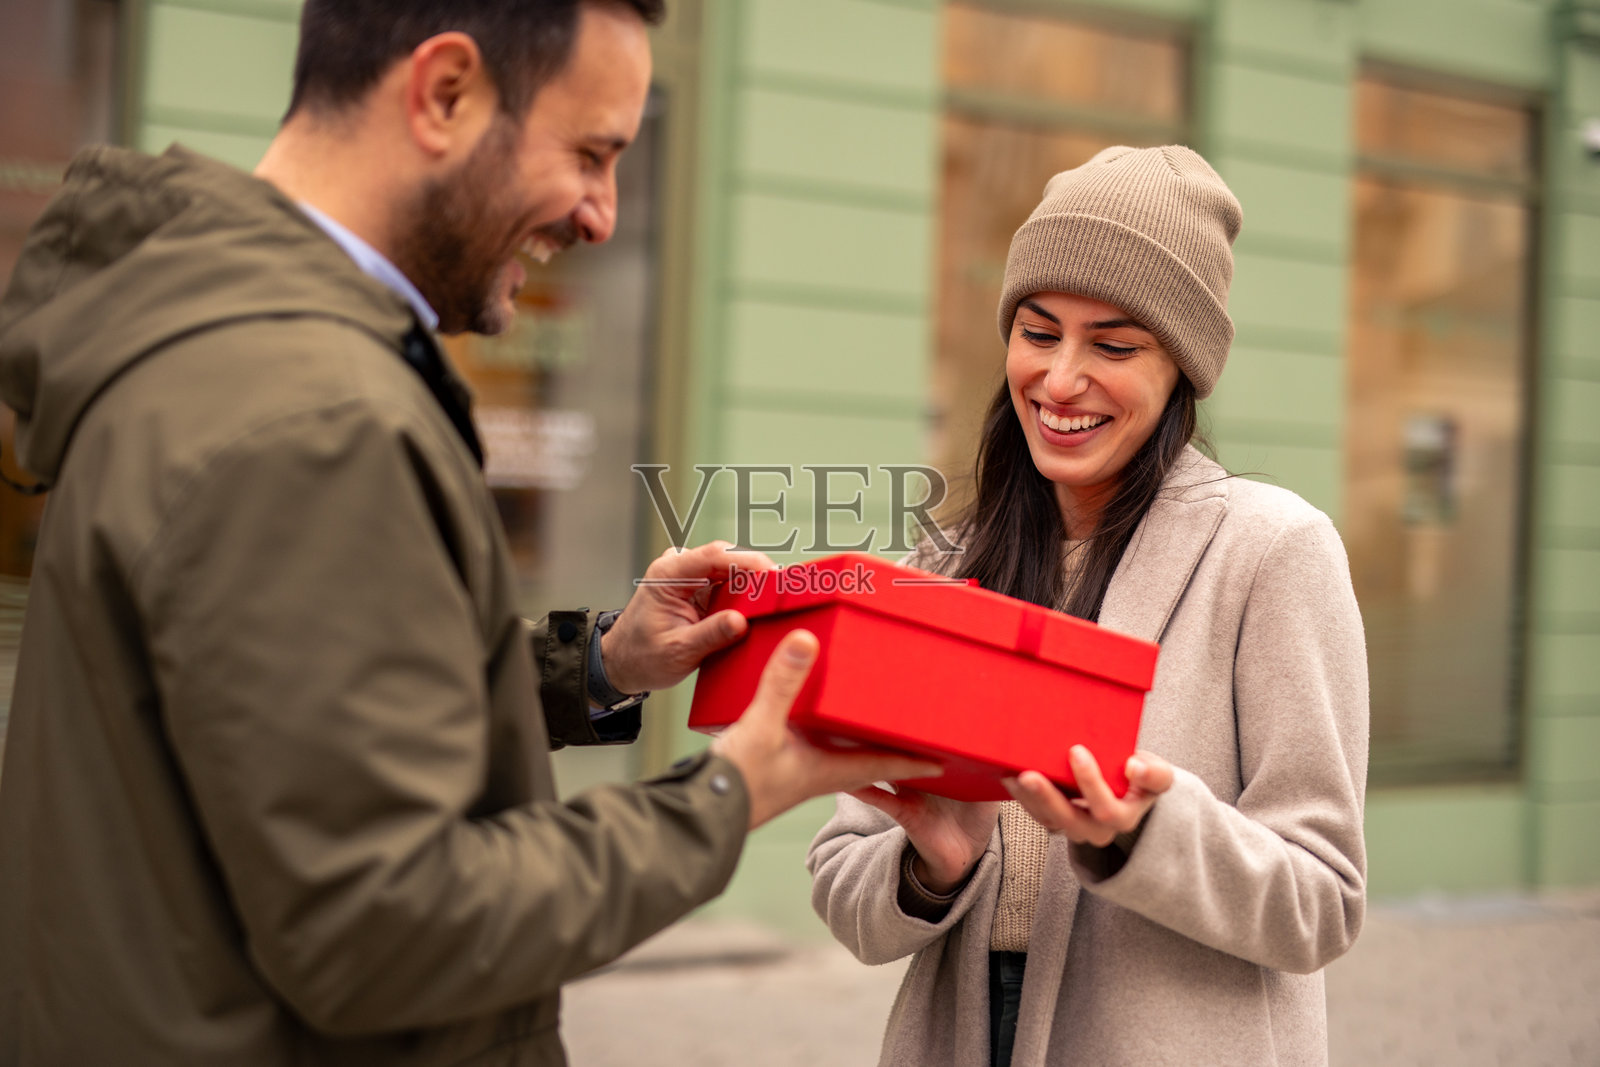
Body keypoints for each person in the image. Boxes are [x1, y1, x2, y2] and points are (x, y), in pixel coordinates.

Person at [0, 1, 937, 1063]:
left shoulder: (212, 342)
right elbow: (388, 926)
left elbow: (288, 712)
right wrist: (733, 791)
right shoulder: (317, 414)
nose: (603, 215)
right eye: (591, 153)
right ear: (444, 93)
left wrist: (596, 662)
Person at [807, 146, 1369, 1067]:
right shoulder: (944, 563)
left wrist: (1146, 830)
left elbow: (1322, 901)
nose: (1062, 379)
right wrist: (932, 863)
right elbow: (843, 879)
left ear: (1181, 368)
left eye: (1113, 345)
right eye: (1038, 332)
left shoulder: (1272, 551)